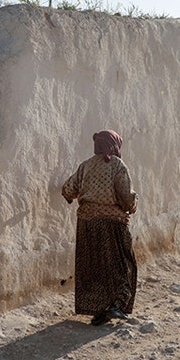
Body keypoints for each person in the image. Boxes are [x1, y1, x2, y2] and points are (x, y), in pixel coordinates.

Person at [61, 129, 138, 325]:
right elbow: (126, 197)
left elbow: (68, 190)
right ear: (114, 145)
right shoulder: (117, 165)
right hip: (113, 223)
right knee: (121, 263)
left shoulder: (85, 166)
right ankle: (116, 306)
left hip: (87, 224)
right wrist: (132, 205)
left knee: (94, 266)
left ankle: (99, 309)